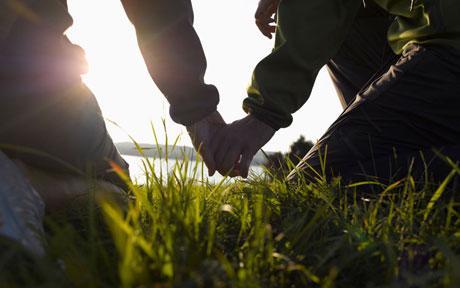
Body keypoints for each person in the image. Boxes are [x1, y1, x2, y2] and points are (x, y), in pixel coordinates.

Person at [0, 0, 224, 254]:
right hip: (29, 78)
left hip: (27, 72)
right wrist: (196, 105)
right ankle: (24, 183)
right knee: (120, 194)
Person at [209, 0, 460, 183]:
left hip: (448, 53)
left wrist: (264, 113)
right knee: (349, 23)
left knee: (316, 185)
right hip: (438, 43)